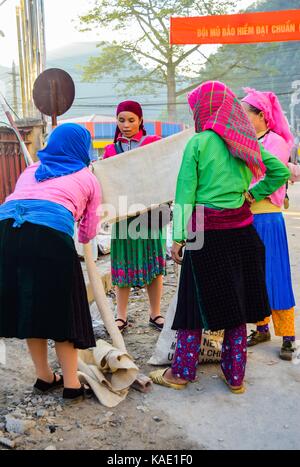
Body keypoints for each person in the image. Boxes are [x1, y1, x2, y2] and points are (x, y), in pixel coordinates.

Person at [149, 81, 290, 393]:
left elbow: (185, 193)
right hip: (242, 229)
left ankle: (181, 372)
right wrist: (252, 195)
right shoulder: (246, 139)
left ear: (205, 108)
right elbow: (280, 172)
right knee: (236, 303)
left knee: (192, 303)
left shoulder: (198, 143)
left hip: (205, 229)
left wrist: (179, 238)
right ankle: (235, 376)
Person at [0, 123, 101, 400]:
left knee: (30, 304)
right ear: (82, 147)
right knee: (63, 308)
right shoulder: (86, 175)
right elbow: (89, 231)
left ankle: (44, 377)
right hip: (48, 236)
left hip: (6, 231)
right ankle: (71, 384)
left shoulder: (31, 170)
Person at [241, 88, 296, 360]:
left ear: (261, 115)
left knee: (276, 274)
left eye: (245, 113)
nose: (241, 117)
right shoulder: (245, 141)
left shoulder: (276, 142)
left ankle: (287, 335)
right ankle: (261, 328)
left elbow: (274, 176)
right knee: (254, 275)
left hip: (268, 216)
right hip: (246, 218)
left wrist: (249, 193)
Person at [103, 100, 166, 332]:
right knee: (122, 263)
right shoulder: (110, 151)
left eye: (131, 120)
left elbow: (164, 173)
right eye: (121, 120)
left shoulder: (154, 144)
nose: (126, 125)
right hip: (122, 214)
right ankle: (121, 316)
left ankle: (155, 313)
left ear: (140, 120)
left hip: (151, 213)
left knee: (154, 262)